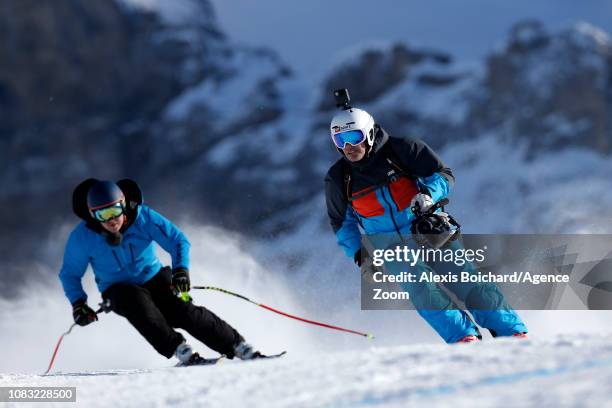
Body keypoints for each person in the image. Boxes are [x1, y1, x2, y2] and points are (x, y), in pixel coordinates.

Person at [324, 104, 528, 343]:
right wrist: (360, 255)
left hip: (426, 228)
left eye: (353, 137)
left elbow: (442, 174)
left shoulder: (401, 150)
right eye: (340, 140)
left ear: (368, 133)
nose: (348, 147)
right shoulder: (339, 178)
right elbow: (341, 222)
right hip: (390, 247)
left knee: (465, 279)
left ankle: (511, 331)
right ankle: (464, 337)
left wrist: (429, 195)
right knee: (422, 291)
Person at [59, 178, 261, 365]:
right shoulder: (82, 238)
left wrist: (180, 271)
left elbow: (177, 240)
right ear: (92, 214)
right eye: (103, 215)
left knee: (181, 310)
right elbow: (70, 274)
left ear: (123, 203)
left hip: (154, 277)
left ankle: (239, 346)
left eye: (115, 210)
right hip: (117, 289)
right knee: (136, 302)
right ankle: (181, 351)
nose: (112, 220)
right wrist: (78, 304)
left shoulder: (143, 217)